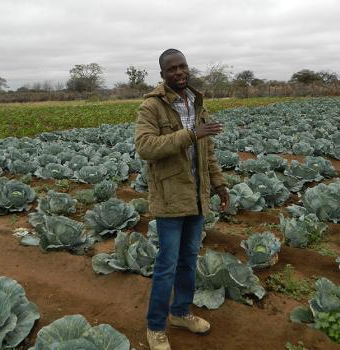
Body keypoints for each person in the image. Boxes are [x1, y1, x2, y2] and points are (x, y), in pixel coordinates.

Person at [134, 48, 229, 350]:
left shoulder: (197, 102)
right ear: (162, 74)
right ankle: (155, 327)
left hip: (197, 196)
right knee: (167, 264)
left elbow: (207, 150)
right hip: (170, 197)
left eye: (182, 66)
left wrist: (219, 184)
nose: (179, 72)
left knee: (189, 260)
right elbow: (146, 146)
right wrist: (190, 134)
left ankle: (181, 312)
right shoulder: (152, 107)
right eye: (172, 69)